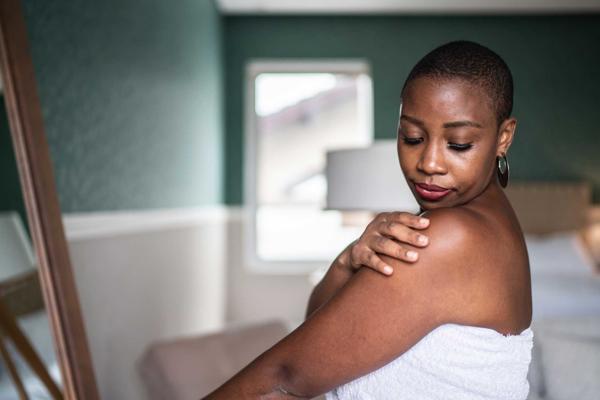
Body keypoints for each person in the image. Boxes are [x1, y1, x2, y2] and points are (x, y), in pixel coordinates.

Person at [202, 40, 533, 400]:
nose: (429, 163)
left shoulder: (448, 237)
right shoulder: (491, 221)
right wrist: (349, 259)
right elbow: (320, 327)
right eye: (413, 137)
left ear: (504, 136)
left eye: (458, 143)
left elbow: (286, 376)